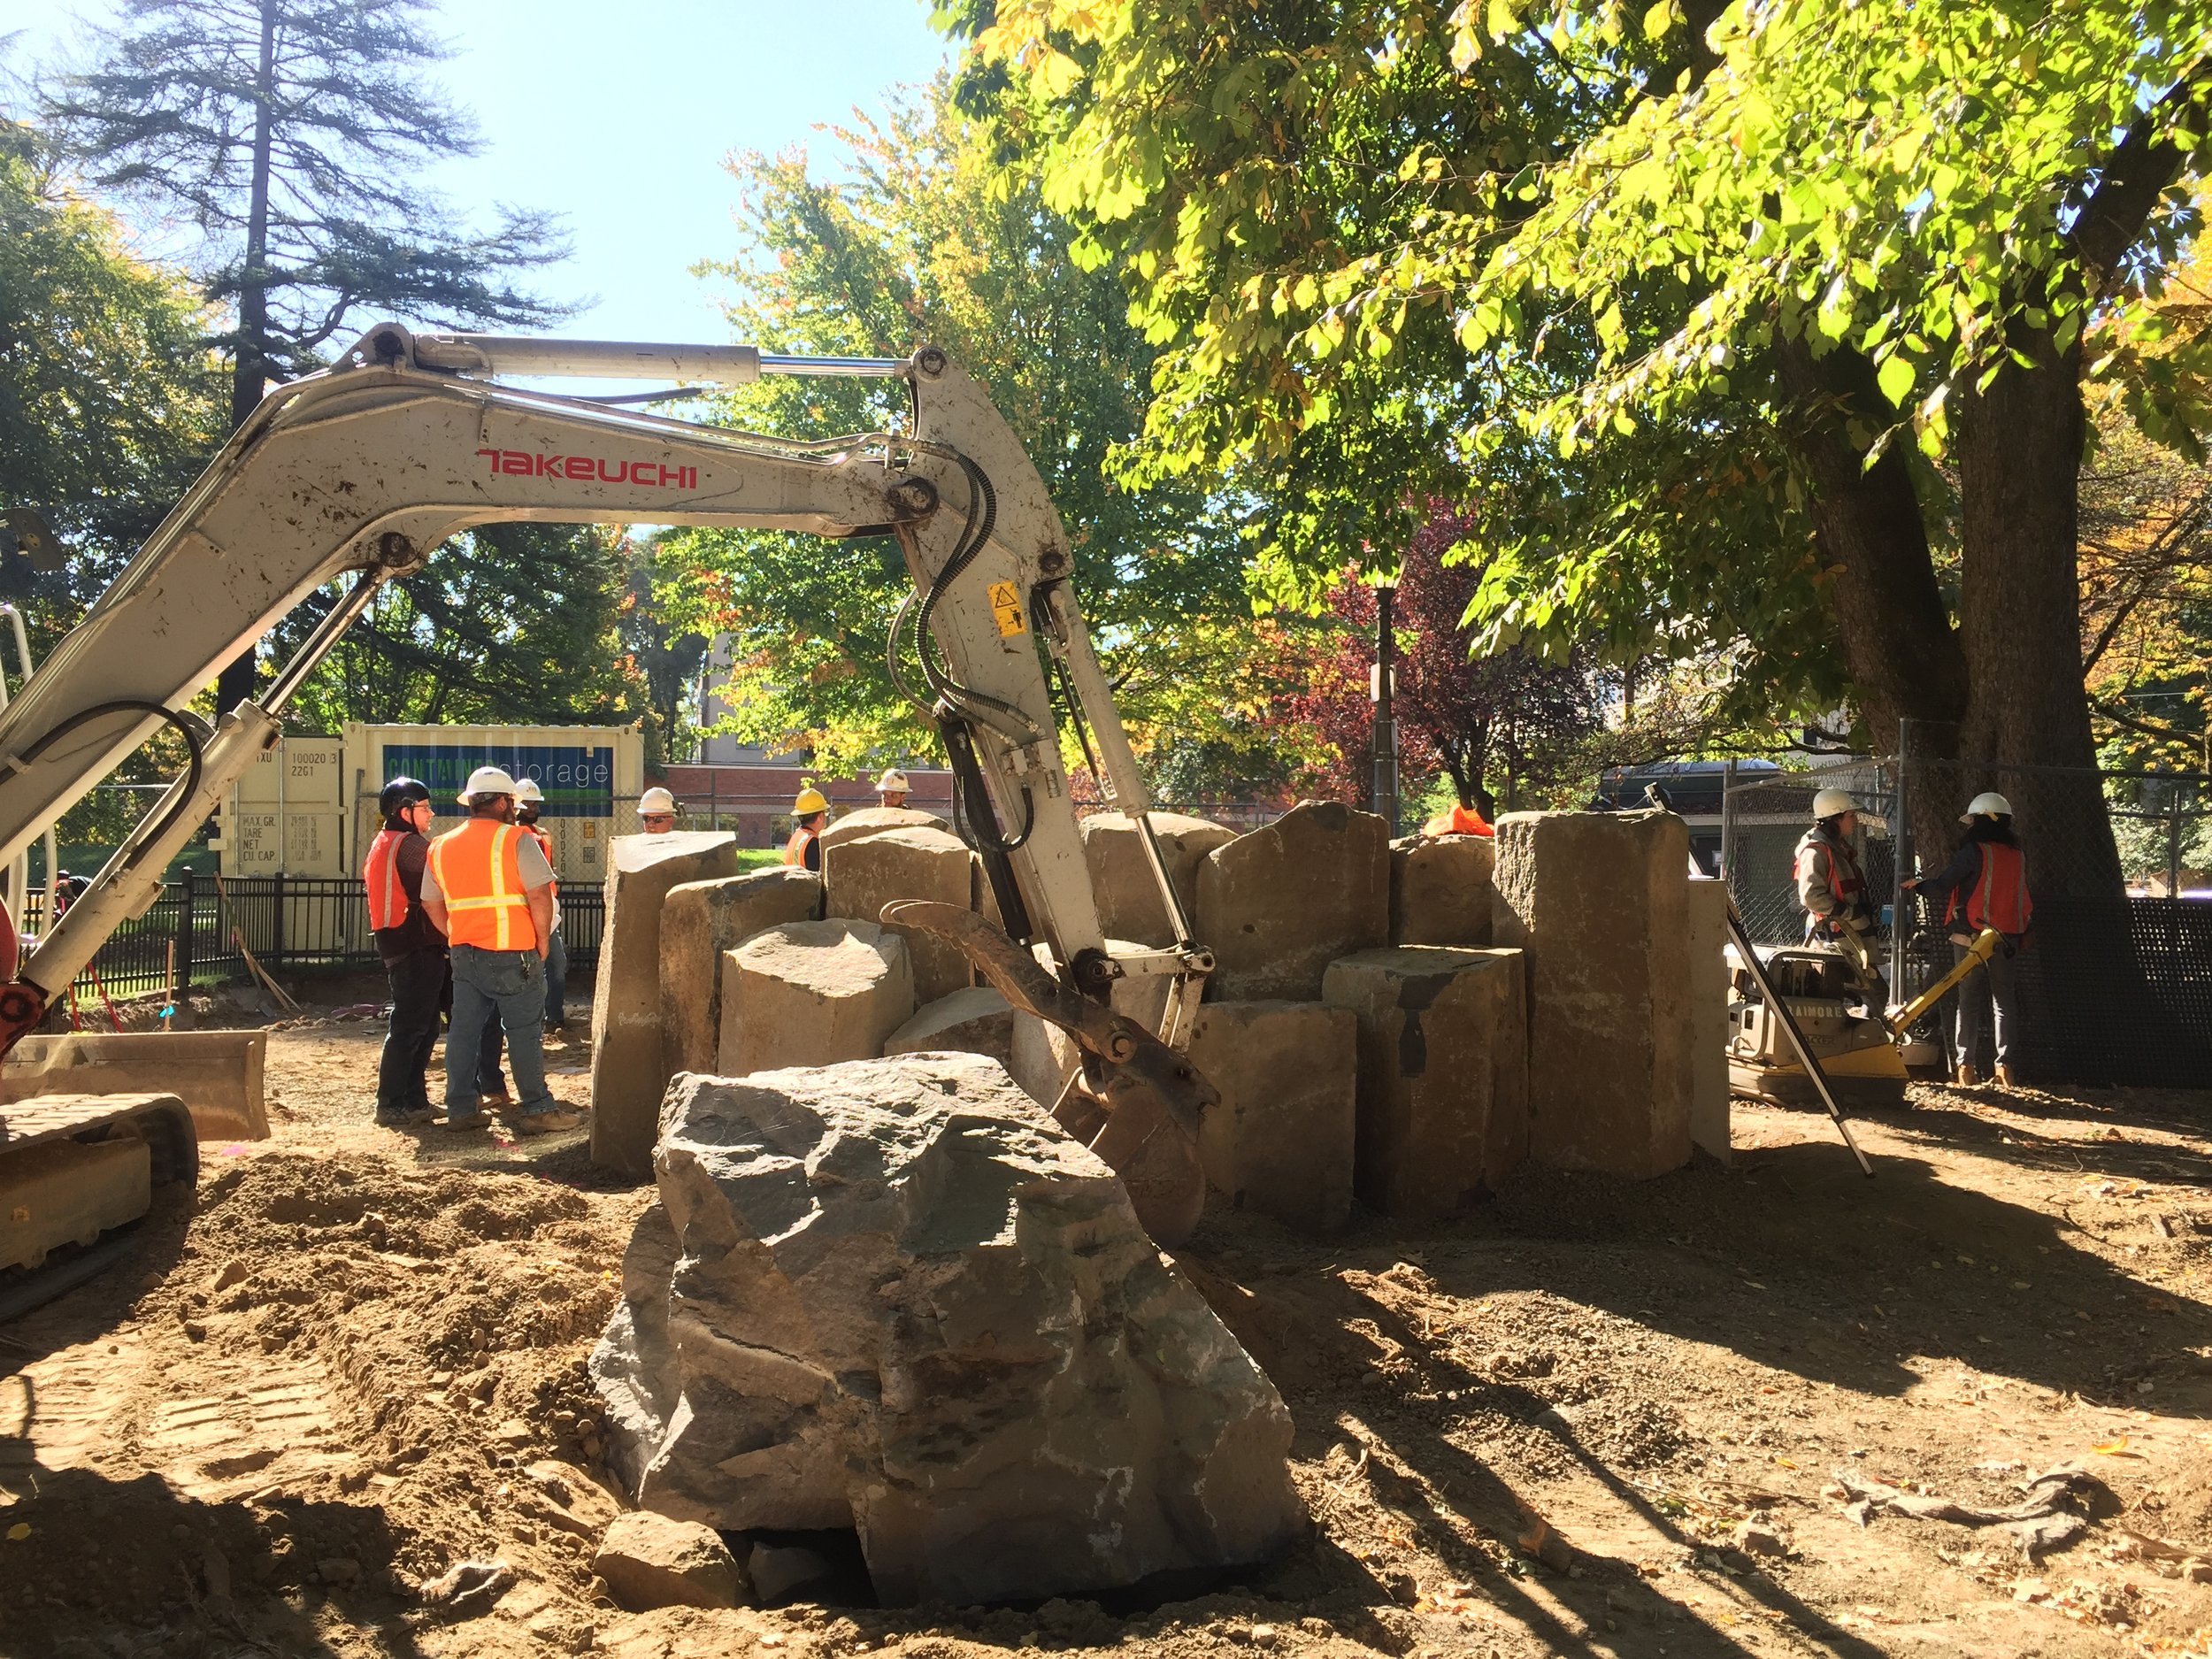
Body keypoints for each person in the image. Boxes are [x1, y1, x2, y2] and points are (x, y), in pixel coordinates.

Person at [419, 765, 582, 1136]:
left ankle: (461, 1108)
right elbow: (540, 894)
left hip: (464, 953)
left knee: (463, 1030)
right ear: (503, 802)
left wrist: (455, 934)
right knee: (524, 1031)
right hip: (514, 952)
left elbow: (430, 903)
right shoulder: (516, 839)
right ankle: (537, 1107)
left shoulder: (440, 845)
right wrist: (541, 941)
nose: (516, 808)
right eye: (512, 801)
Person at [1904, 791, 2032, 1088]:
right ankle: (2005, 1068)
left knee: (1968, 1000)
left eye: (1973, 819)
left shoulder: (1974, 852)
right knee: (2004, 1002)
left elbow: (1944, 885)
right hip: (2007, 937)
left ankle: (1966, 1067)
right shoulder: (2017, 855)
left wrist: (1918, 886)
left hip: (1970, 936)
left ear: (1982, 820)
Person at [365, 777, 443, 1126]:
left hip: (402, 943)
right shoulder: (410, 846)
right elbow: (441, 881)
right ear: (404, 811)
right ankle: (392, 1103)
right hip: (414, 945)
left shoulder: (386, 841)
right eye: (425, 808)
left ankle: (413, 1100)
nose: (431, 814)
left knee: (423, 1027)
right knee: (412, 1027)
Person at [1794, 787, 1885, 1006]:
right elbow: (1810, 896)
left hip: (1846, 932)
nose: (1855, 820)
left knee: (1862, 993)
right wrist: (1846, 913)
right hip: (1836, 935)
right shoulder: (1815, 852)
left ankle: (1865, 1037)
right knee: (1875, 993)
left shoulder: (1835, 847)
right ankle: (1869, 1038)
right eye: (1851, 815)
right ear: (1834, 818)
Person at [514, 778, 569, 1031]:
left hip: (547, 913)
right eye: (528, 804)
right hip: (521, 914)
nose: (533, 809)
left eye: (535, 804)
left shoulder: (543, 835)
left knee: (557, 965)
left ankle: (554, 1017)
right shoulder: (512, 836)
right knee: (526, 973)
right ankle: (528, 1021)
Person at [783, 784, 829, 872]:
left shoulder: (796, 837)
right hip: (803, 886)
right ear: (820, 817)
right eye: (825, 813)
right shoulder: (813, 843)